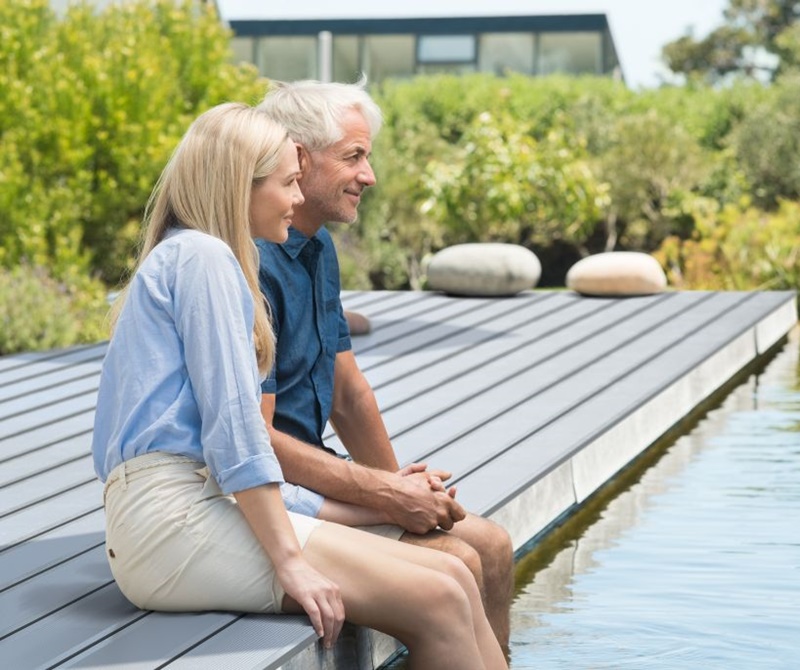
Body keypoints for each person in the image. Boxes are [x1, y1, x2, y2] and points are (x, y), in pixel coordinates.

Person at [91, 102, 506, 670]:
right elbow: (238, 441)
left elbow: (239, 466)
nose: (295, 198)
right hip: (169, 527)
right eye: (288, 182)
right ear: (243, 183)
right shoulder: (202, 259)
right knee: (438, 597)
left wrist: (378, 507)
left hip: (200, 507)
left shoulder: (208, 259)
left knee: (453, 577)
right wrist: (292, 563)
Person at [255, 80, 515, 649]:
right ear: (300, 157)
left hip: (317, 471)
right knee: (458, 561)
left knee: (493, 546)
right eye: (353, 156)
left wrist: (401, 489)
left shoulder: (317, 247)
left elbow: (347, 393)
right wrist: (385, 496)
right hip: (277, 493)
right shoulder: (254, 262)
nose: (368, 175)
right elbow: (257, 440)